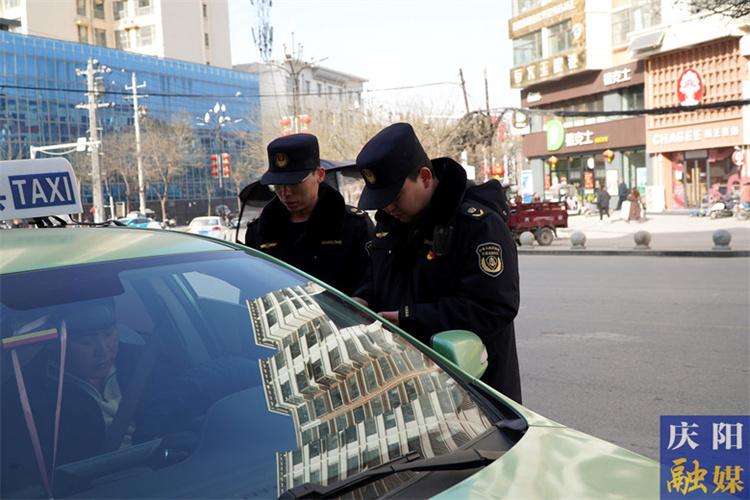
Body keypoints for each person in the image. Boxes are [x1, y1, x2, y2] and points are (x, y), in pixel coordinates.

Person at [352, 123, 521, 403]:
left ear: (425, 177)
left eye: (395, 196)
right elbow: (378, 276)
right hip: (406, 385)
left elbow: (493, 307)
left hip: (471, 391)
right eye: (382, 200)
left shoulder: (478, 225)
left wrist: (410, 317)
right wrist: (363, 298)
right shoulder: (390, 223)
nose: (388, 207)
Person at [245, 133, 374, 296]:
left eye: (294, 183)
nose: (286, 193)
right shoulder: (260, 231)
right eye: (278, 185)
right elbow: (251, 287)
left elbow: (373, 279)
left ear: (319, 175)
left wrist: (362, 299)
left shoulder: (353, 225)